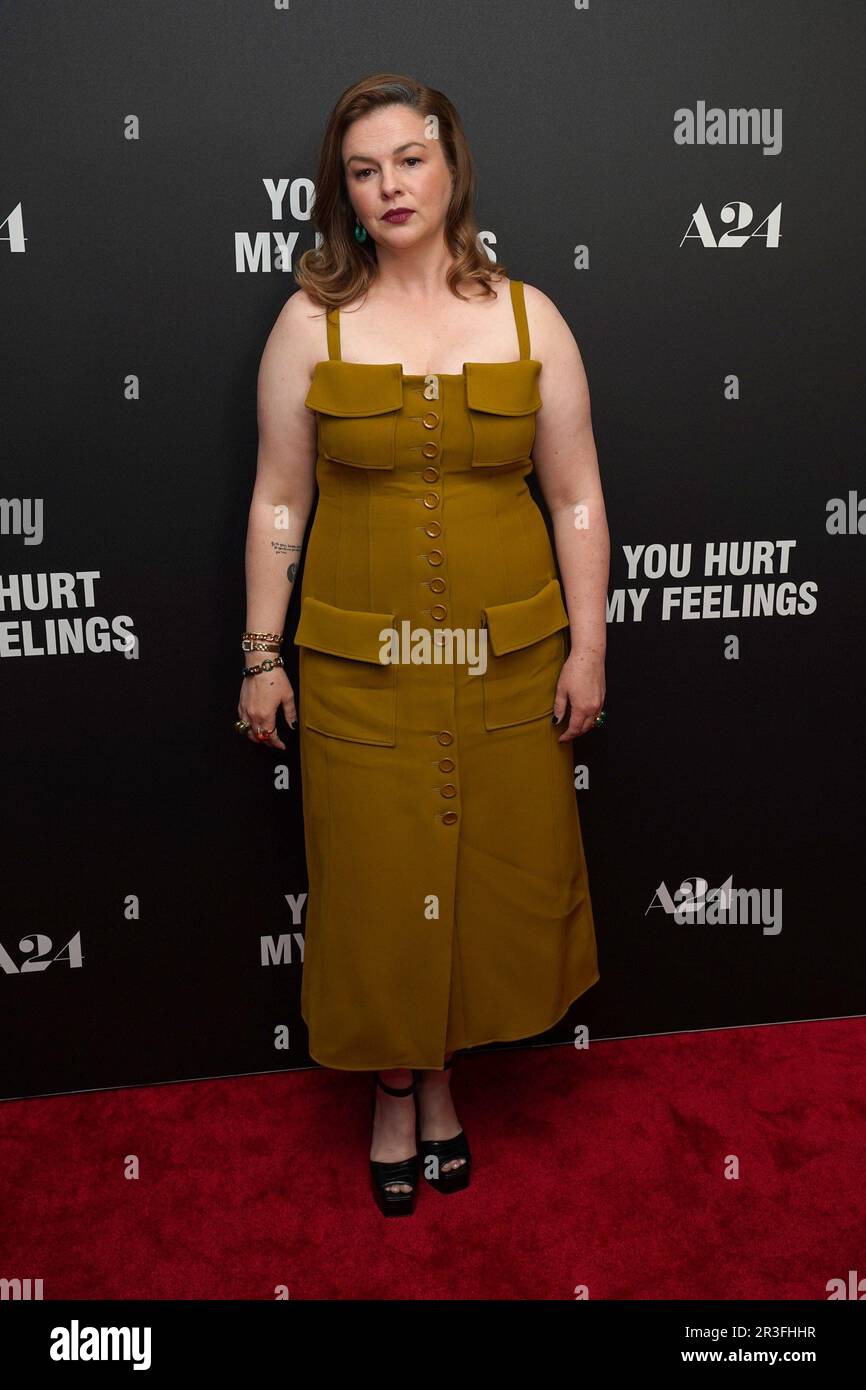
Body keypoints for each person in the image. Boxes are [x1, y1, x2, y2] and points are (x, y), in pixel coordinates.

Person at [237, 74, 609, 1216]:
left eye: (408, 158)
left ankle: (435, 1085)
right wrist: (262, 652)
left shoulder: (528, 315)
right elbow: (275, 503)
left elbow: (576, 497)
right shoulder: (311, 322)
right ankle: (394, 1091)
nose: (389, 185)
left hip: (506, 663)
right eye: (362, 169)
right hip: (361, 671)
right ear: (340, 194)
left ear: (450, 167)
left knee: (480, 885)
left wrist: (586, 645)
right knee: (381, 891)